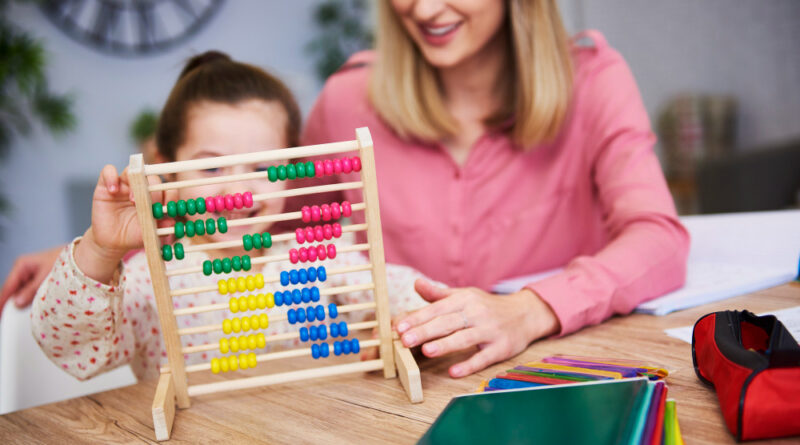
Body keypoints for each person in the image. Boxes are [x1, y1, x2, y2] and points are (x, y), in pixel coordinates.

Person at [297, 0, 689, 378]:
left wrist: (530, 310)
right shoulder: (344, 101)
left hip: (560, 376)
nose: (424, 9)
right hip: (397, 392)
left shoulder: (593, 81)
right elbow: (289, 249)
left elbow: (659, 239)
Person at [30, 51, 430, 381]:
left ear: (290, 168)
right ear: (166, 170)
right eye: (212, 168)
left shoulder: (320, 260)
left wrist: (407, 323)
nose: (239, 192)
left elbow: (396, 288)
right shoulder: (150, 280)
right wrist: (100, 250)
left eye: (261, 168)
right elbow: (73, 348)